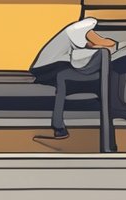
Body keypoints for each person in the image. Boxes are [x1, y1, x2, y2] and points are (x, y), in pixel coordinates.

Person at [30, 17, 120, 150]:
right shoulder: (86, 25)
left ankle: (59, 127)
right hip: (51, 66)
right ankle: (60, 126)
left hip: (45, 67)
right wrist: (117, 44)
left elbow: (91, 45)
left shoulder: (73, 32)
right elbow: (103, 43)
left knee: (63, 78)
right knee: (102, 54)